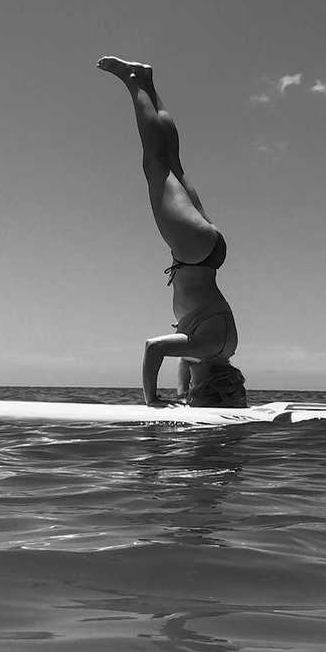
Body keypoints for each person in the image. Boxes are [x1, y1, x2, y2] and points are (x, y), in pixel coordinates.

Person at [98, 56, 247, 408]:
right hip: (192, 252)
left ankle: (146, 82)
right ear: (207, 383)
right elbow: (154, 348)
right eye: (196, 388)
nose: (190, 384)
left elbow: (186, 360)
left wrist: (181, 396)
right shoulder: (207, 349)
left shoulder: (217, 351)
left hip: (206, 251)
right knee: (156, 165)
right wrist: (152, 400)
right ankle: (132, 82)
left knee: (172, 163)